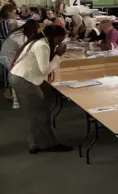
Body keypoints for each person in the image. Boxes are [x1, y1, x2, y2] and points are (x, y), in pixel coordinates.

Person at [9, 25, 71, 153]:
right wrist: (58, 55)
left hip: (20, 77)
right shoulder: (42, 45)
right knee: (39, 112)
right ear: (52, 37)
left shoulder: (38, 41)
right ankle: (45, 144)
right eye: (59, 40)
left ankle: (35, 143)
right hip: (24, 79)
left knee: (35, 112)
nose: (60, 44)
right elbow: (45, 70)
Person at [0, 20, 38, 106]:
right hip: (7, 57)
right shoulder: (21, 37)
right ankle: (16, 95)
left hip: (6, 55)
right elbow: (23, 52)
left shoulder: (19, 32)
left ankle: (10, 92)